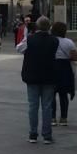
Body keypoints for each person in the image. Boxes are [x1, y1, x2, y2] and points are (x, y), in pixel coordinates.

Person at [16, 16, 59, 144]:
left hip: (32, 76)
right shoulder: (54, 40)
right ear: (49, 27)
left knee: (33, 106)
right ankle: (47, 135)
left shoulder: (30, 39)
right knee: (47, 106)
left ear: (37, 27)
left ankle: (33, 134)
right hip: (49, 76)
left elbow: (19, 48)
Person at [50, 22, 77, 126]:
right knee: (63, 95)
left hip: (52, 67)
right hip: (65, 69)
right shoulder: (69, 42)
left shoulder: (50, 41)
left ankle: (52, 118)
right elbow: (75, 57)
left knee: (51, 94)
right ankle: (63, 118)